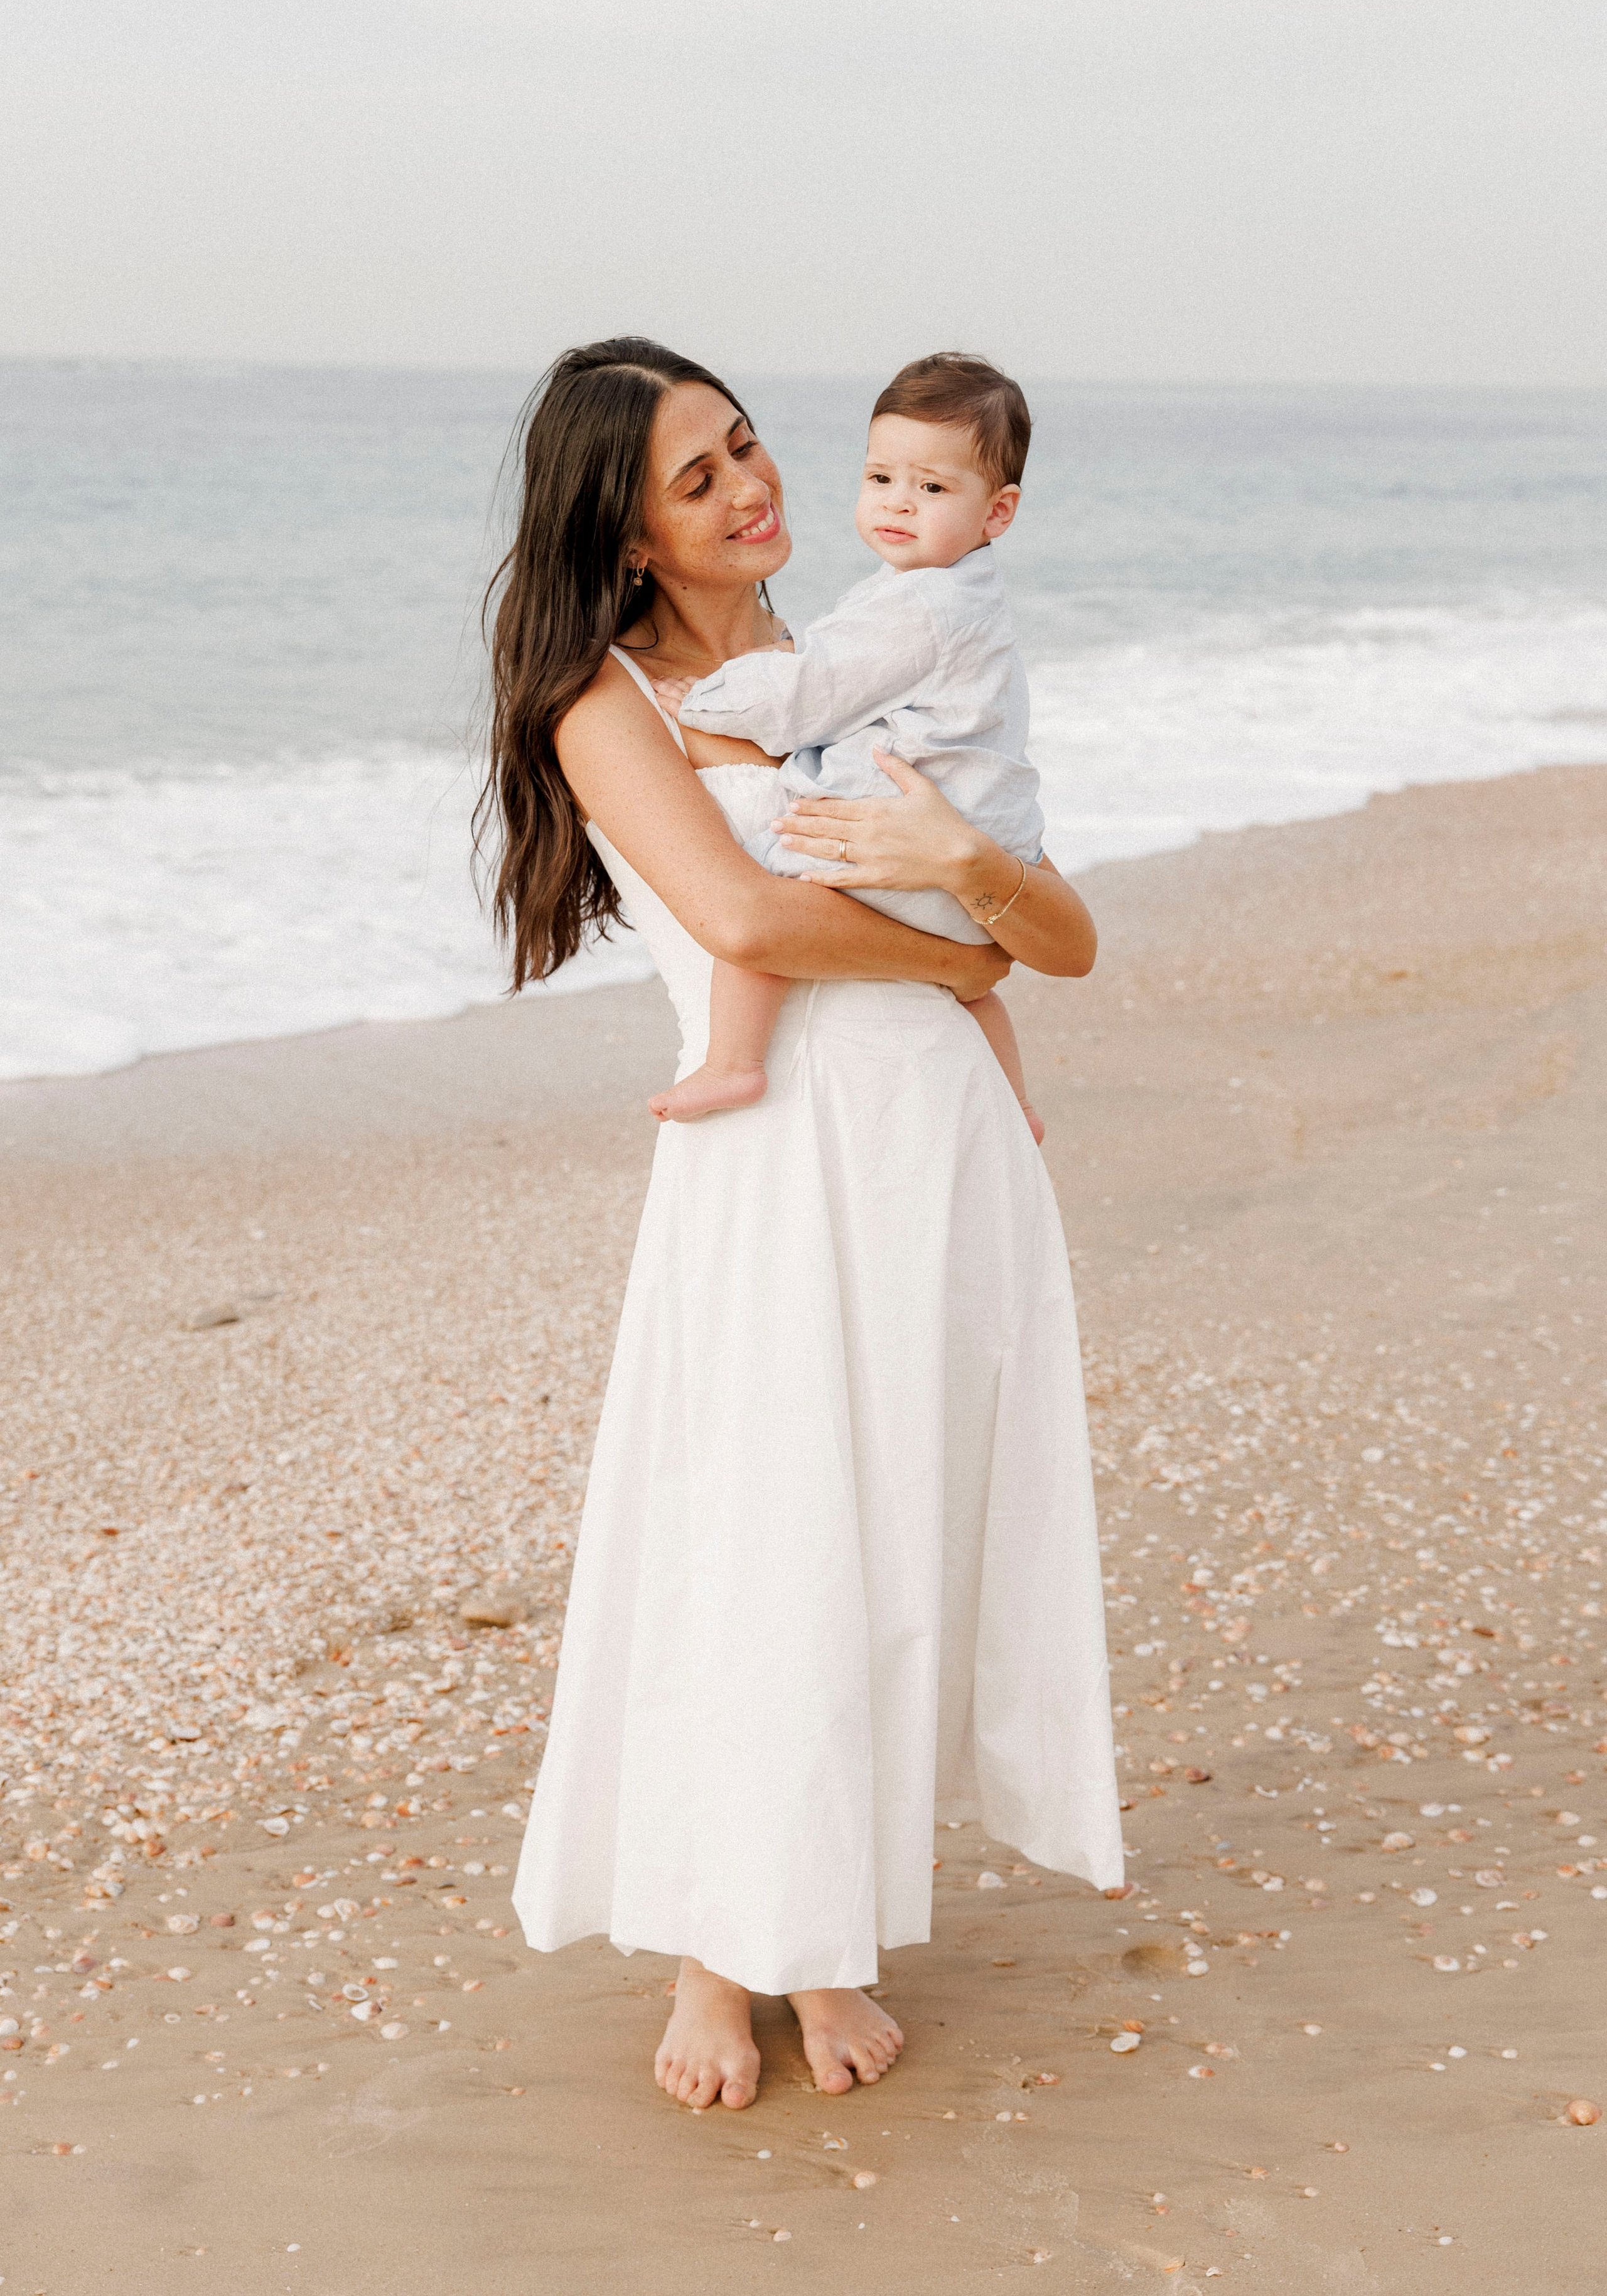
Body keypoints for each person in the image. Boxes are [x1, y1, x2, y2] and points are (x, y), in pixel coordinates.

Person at [480, 337, 1122, 2114]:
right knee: (759, 1537)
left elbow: (1060, 939)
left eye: (748, 444)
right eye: (698, 478)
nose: (752, 486)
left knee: (892, 1540)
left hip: (940, 1147)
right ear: (622, 534)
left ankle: (826, 1935)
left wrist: (973, 876)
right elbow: (751, 924)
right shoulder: (599, 699)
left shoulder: (875, 645)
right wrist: (959, 950)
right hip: (770, 1162)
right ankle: (716, 1950)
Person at [646, 352, 1045, 1141]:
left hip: (912, 848)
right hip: (974, 858)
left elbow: (809, 692)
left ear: (997, 513)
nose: (898, 504)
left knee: (776, 877)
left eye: (931, 488)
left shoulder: (919, 606)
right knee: (974, 992)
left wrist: (707, 698)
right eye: (881, 479)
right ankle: (1018, 1105)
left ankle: (733, 1060)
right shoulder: (956, 597)